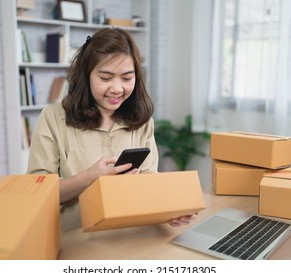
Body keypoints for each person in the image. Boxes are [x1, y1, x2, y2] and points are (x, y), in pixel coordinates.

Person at [27, 28, 196, 231]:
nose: (117, 88)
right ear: (86, 76)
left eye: (126, 78)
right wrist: (91, 177)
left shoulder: (143, 122)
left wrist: (167, 211)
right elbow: (38, 193)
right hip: (77, 238)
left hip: (131, 235)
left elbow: (149, 183)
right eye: (106, 78)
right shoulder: (53, 118)